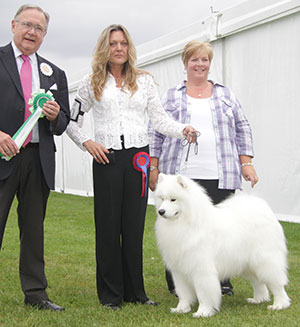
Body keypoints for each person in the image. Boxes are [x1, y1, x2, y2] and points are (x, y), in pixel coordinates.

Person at [66, 24, 195, 311]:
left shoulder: (144, 81)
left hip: (138, 159)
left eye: (123, 43)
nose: (119, 48)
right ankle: (111, 295)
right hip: (107, 158)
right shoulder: (90, 83)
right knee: (109, 226)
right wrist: (88, 143)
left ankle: (136, 292)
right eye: (113, 43)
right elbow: (70, 121)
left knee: (134, 227)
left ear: (129, 48)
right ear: (105, 48)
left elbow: (159, 120)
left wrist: (182, 128)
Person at [149, 40, 258, 296]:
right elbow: (155, 131)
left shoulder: (226, 94)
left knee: (222, 230)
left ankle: (221, 280)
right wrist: (153, 165)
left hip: (221, 174)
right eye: (194, 59)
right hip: (181, 176)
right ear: (185, 63)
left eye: (205, 60)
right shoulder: (172, 95)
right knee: (178, 228)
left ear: (210, 63)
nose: (200, 64)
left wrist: (247, 163)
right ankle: (181, 285)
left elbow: (243, 128)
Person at [0, 5, 70, 311]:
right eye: (27, 25)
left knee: (34, 231)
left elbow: (64, 122)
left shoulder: (54, 72)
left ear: (44, 34)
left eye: (39, 28)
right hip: (3, 156)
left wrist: (55, 116)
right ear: (13, 25)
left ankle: (36, 294)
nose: (32, 32)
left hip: (37, 160)